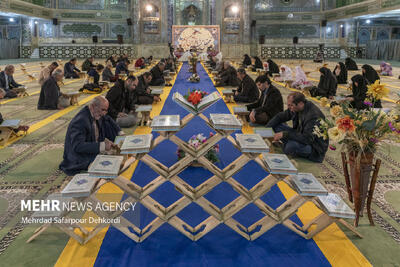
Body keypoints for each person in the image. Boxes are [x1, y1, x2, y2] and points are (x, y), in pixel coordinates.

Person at [59, 96, 122, 176]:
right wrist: (102, 145)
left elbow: (107, 119)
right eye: (103, 110)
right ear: (93, 106)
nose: (104, 113)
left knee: (113, 157)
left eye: (106, 110)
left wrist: (107, 141)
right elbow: (78, 146)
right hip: (77, 157)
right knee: (107, 164)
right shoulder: (80, 121)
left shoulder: (95, 113)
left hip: (87, 151)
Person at [266, 92, 329, 163]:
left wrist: (285, 134)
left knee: (291, 146)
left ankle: (286, 144)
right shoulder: (296, 108)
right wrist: (265, 130)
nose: (289, 108)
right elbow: (280, 117)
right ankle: (286, 143)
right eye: (288, 105)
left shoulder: (313, 116)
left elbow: (307, 139)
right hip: (299, 134)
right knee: (277, 126)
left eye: (291, 105)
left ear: (300, 103)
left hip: (313, 146)